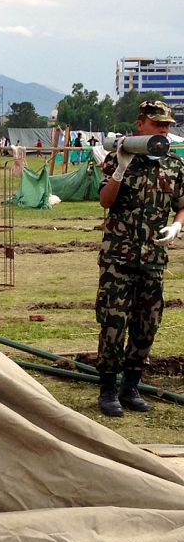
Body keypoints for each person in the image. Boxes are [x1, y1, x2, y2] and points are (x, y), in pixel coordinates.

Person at [96, 100, 184, 417]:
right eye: (158, 124)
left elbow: (181, 203)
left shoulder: (174, 165)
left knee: (147, 325)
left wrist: (177, 225)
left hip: (153, 260)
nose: (164, 130)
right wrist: (120, 168)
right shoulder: (118, 157)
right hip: (119, 258)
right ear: (140, 125)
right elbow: (106, 201)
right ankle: (108, 390)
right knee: (113, 324)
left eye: (167, 125)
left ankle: (131, 386)